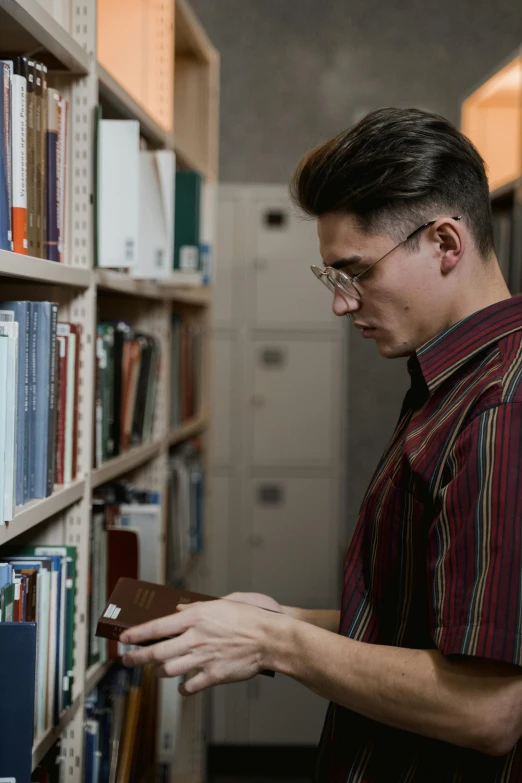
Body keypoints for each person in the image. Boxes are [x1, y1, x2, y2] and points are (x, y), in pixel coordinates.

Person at [120, 108, 522, 782]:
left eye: (355, 271)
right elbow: (430, 621)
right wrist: (281, 621)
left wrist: (276, 641)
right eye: (331, 277)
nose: (341, 303)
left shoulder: (500, 407)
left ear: (446, 243)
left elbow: (488, 707)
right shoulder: (456, 382)